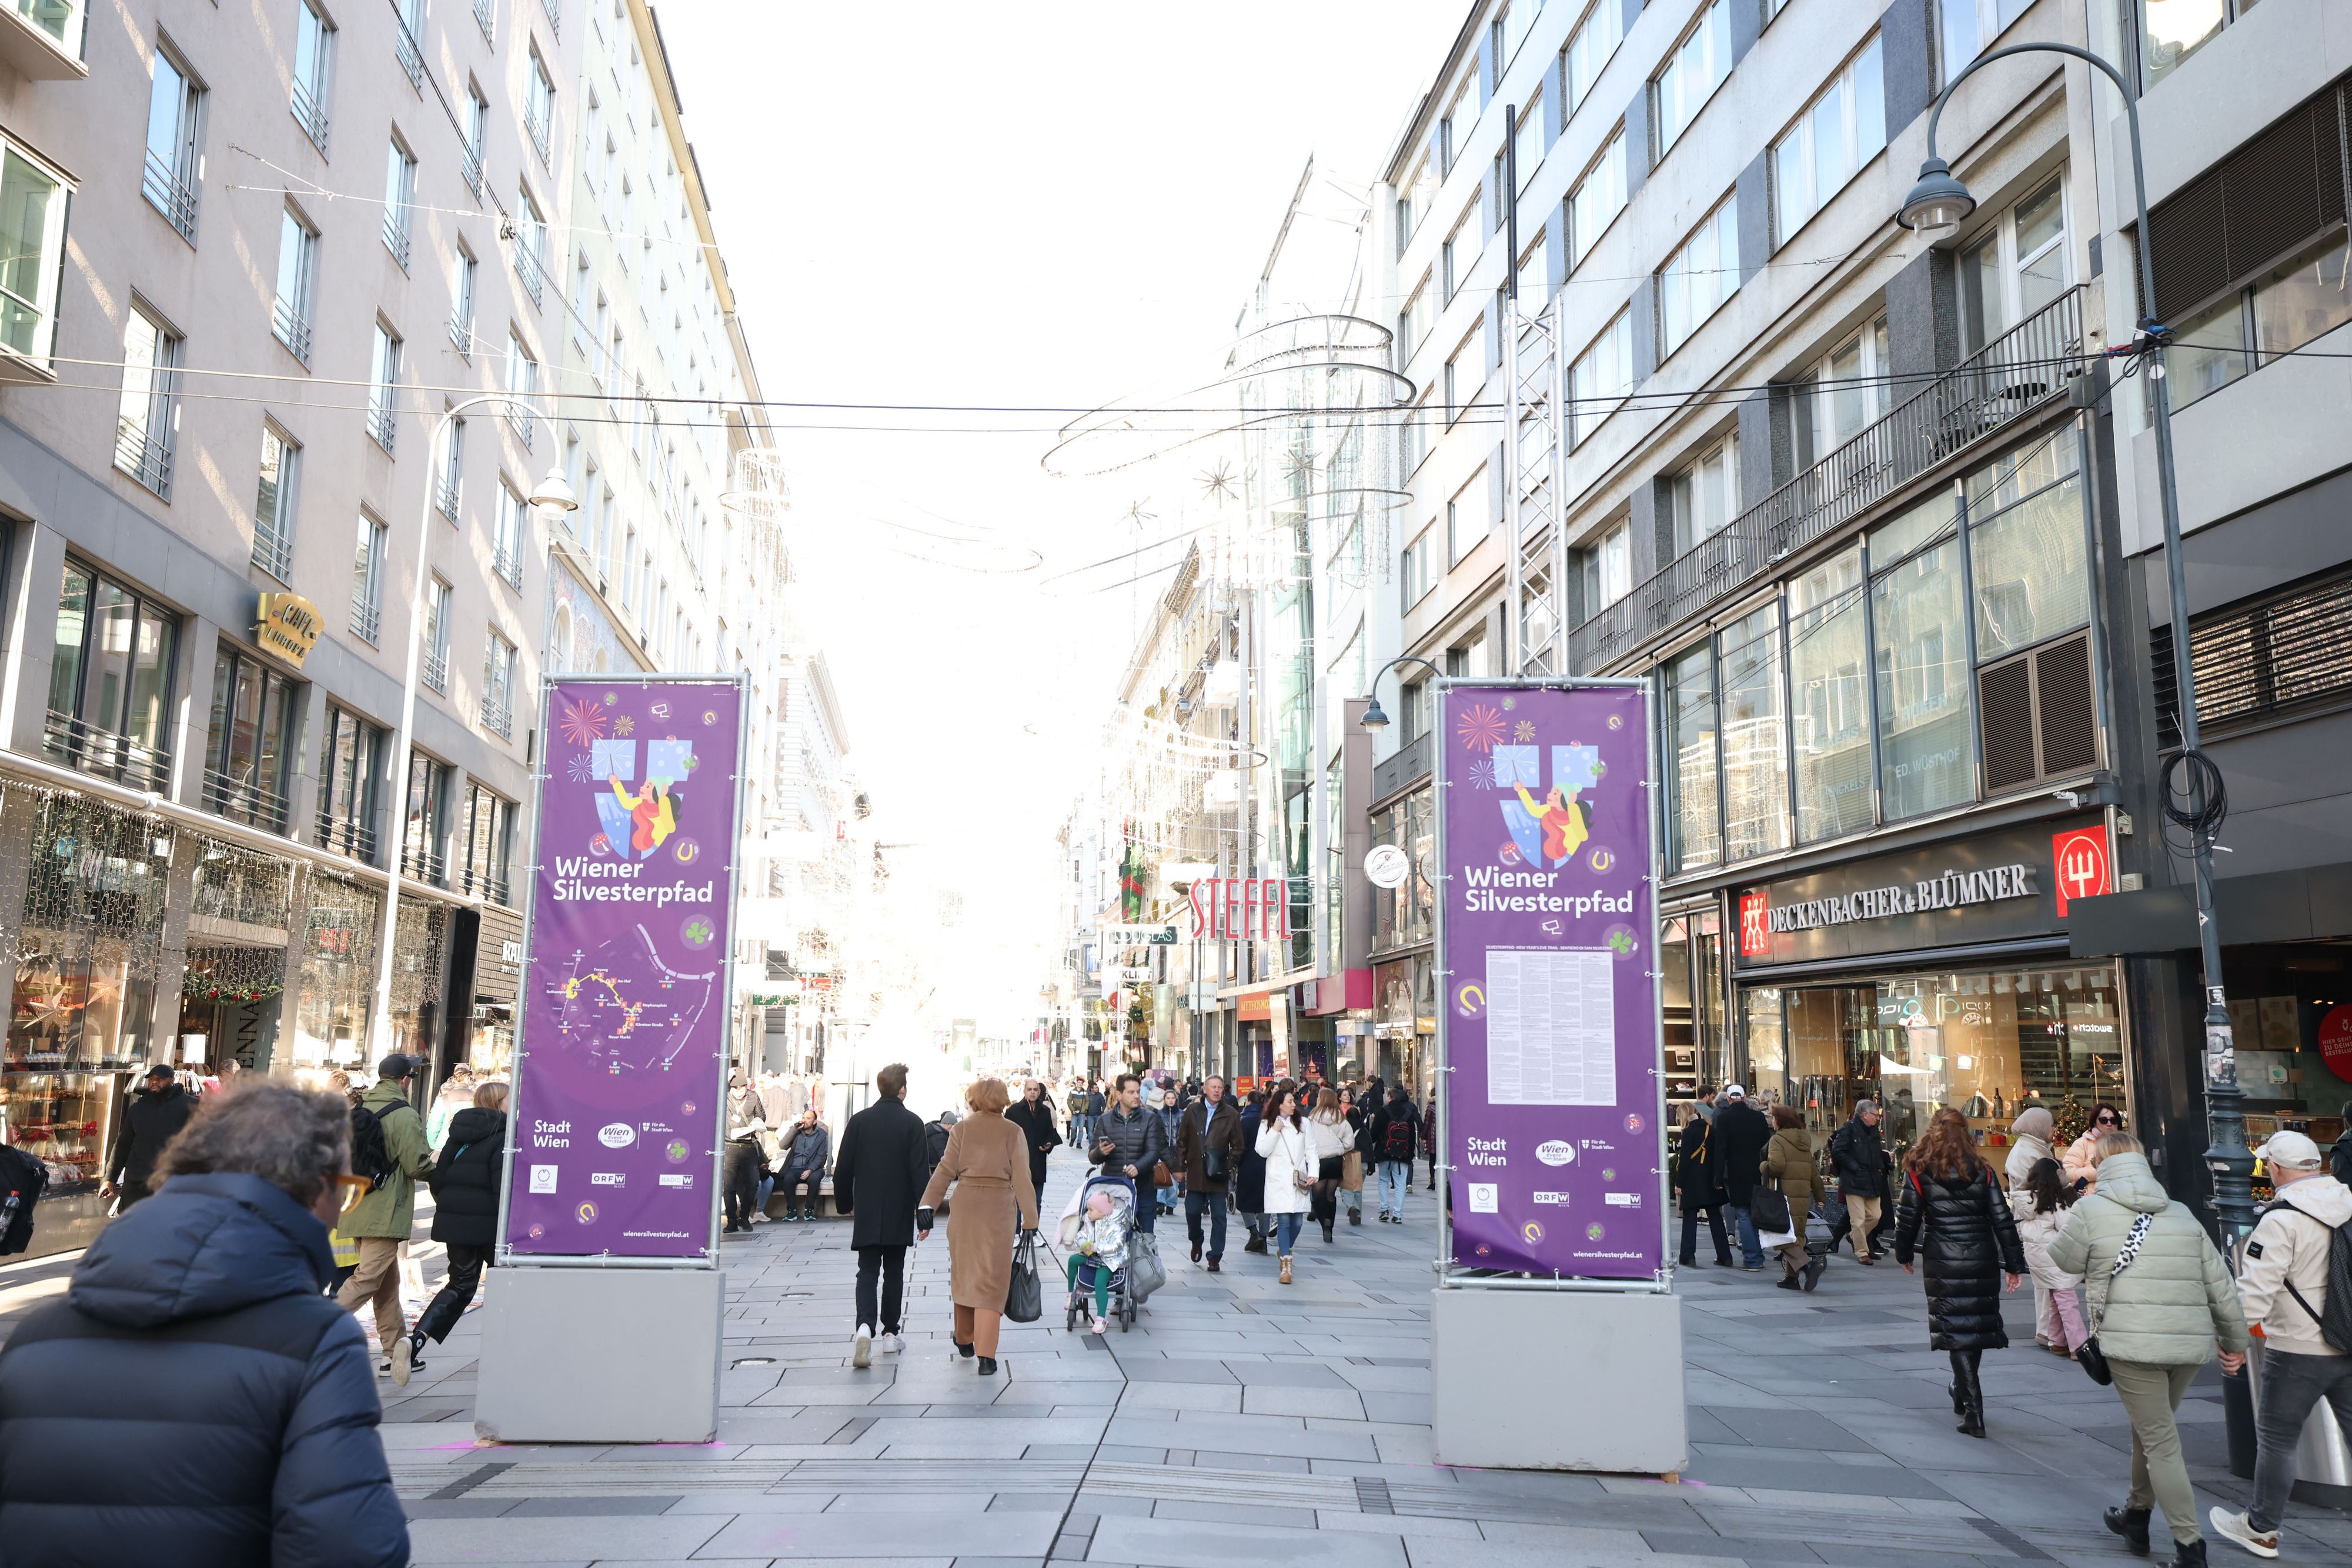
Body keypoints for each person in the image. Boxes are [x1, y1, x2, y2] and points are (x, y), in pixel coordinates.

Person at [0, 1081, 410, 1566]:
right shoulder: (315, 1342)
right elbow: (352, 1547)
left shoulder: (33, 1338)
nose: (339, 1216)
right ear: (315, 1188)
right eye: (345, 1191)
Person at [2049, 1130, 2248, 1565]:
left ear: (2099, 1165)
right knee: (2151, 1428)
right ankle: (2136, 1516)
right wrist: (2235, 1344)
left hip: (2131, 1344)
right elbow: (2221, 1284)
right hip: (2188, 1344)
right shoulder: (2179, 1211)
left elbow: (2060, 1259)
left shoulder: (2091, 1208)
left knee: (2160, 1440)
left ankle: (2190, 1545)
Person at [2210, 1130, 2352, 1559]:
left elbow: (2253, 1291)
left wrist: (2233, 1342)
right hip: (2348, 1342)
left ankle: (2262, 1527)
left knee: (2277, 1438)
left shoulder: (2281, 1218)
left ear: (2273, 1168)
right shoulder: (2347, 1200)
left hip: (2297, 1349)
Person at [1894, 1107, 2027, 1440]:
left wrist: (1905, 1253)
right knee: (1973, 1326)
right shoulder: (1982, 1169)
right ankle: (1963, 1390)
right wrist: (2014, 1264)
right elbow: (2002, 1218)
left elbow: (1909, 1216)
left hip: (1943, 1257)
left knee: (1955, 1330)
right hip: (1980, 1256)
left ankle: (1973, 1409)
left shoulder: (1919, 1169)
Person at [918, 1078, 1041, 1378]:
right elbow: (1023, 1178)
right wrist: (1030, 1219)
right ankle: (987, 1356)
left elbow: (945, 1171)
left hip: (966, 1208)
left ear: (974, 1100)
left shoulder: (961, 1129)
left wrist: (926, 1206)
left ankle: (964, 1339)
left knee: (965, 1275)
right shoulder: (1013, 1132)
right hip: (999, 1210)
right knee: (992, 1281)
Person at [336, 1054, 434, 1386]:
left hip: (357, 1206)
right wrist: (443, 1169)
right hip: (386, 1210)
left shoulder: (359, 1108)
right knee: (367, 1279)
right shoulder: (404, 1115)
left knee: (387, 1285)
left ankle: (392, 1353)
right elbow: (417, 1165)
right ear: (405, 1080)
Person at [833, 1063, 930, 1370]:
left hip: (868, 1208)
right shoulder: (913, 1123)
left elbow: (843, 1167)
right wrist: (924, 1215)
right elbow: (919, 1172)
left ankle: (864, 1327)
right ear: (902, 1089)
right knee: (895, 1272)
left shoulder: (860, 1121)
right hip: (899, 1210)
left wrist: (845, 1203)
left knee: (867, 1271)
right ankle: (890, 1333)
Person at [409, 1079, 507, 1370]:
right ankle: (508, 1348)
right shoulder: (503, 1136)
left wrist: (453, 1209)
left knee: (460, 1285)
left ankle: (415, 1339)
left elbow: (438, 1179)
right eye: (508, 1099)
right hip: (491, 1228)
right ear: (498, 1103)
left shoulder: (458, 1135)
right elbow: (502, 1188)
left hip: (458, 1227)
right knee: (507, 1283)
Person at [2012, 1156, 2087, 1356]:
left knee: (2056, 1298)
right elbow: (2067, 1227)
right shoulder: (2056, 1201)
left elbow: (2019, 1231)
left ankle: (2057, 1340)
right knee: (2068, 1300)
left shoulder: (2025, 1201)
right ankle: (2078, 1346)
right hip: (2055, 1257)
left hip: (2037, 1258)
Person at [101, 1062, 195, 1209]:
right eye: (151, 1078)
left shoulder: (190, 1107)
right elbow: (122, 1145)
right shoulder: (138, 1109)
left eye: (160, 1078)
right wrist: (109, 1179)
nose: (155, 1081)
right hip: (137, 1184)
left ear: (172, 1080)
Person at [1175, 1075, 1245, 1271]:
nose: (1216, 1090)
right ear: (1204, 1089)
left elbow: (1239, 1146)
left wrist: (1227, 1163)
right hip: (1196, 1170)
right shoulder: (1193, 1111)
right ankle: (1196, 1239)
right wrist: (1179, 1166)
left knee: (1219, 1216)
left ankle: (1215, 1256)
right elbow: (1182, 1140)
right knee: (1192, 1210)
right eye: (1213, 1087)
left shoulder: (1231, 1114)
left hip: (1218, 1173)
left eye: (1220, 1088)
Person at [1089, 1074, 1170, 1234]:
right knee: (1113, 1237)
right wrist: (1100, 1152)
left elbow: (1154, 1151)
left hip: (1143, 1188)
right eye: (1131, 1092)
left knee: (1145, 1238)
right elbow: (1092, 1157)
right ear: (1119, 1094)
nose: (1136, 1096)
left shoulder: (1150, 1118)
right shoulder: (1105, 1120)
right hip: (1113, 1189)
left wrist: (1138, 1167)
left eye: (1138, 1092)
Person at [1709, 1085, 1775, 1271]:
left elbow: (1720, 1150)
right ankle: (1758, 1256)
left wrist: (1718, 1177)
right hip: (1757, 1171)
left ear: (1729, 1099)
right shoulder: (1758, 1117)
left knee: (1743, 1213)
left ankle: (1752, 1259)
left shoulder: (1724, 1118)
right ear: (1745, 1098)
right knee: (1753, 1213)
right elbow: (1766, 1144)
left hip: (1736, 1171)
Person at [1762, 1105, 1828, 1292]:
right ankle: (1791, 1278)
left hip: (1784, 1195)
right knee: (1796, 1236)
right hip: (1802, 1196)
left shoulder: (1778, 1140)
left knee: (1781, 1235)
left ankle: (1808, 1267)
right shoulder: (1804, 1141)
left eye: (1774, 1118)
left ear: (1780, 1121)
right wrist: (1821, 1195)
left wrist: (1763, 1165)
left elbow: (1776, 1166)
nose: (1772, 1121)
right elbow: (1814, 1172)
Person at [1256, 1086, 1314, 1285]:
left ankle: (1285, 1248)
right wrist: (1274, 1131)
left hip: (1298, 1180)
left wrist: (1314, 1173)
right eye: (1289, 1101)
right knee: (1284, 1221)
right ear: (1279, 1104)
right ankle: (1286, 1267)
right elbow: (1262, 1150)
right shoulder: (1267, 1124)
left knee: (1297, 1222)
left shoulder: (1304, 1123)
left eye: (1293, 1101)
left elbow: (1311, 1151)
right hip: (1278, 1181)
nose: (1293, 1105)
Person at [1828, 1099, 1892, 1263]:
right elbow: (1838, 1151)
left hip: (1872, 1180)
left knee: (1876, 1216)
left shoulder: (1874, 1131)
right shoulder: (1848, 1129)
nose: (1878, 1118)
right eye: (1876, 1115)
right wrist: (1854, 1167)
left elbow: (1875, 1152)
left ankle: (1853, 1237)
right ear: (1865, 1115)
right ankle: (1862, 1252)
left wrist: (1882, 1165)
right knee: (1858, 1220)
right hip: (1854, 1180)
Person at [1676, 1091, 1732, 1268]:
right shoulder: (1711, 1130)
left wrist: (1679, 1183)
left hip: (1693, 1181)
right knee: (1715, 1218)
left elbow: (1685, 1161)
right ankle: (1725, 1256)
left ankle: (1688, 1255)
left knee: (1690, 1218)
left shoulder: (1688, 1133)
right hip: (1711, 1179)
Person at [1066, 1188, 1127, 1335]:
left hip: (1109, 1259)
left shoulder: (1116, 1225)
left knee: (1100, 1283)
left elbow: (1118, 1246)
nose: (1088, 1213)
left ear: (1102, 1211)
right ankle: (1071, 1294)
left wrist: (1098, 1247)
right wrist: (1084, 1245)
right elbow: (1081, 1235)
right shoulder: (1089, 1220)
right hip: (1091, 1253)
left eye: (1091, 1210)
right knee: (1073, 1260)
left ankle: (1101, 1318)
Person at [1369, 1084, 1420, 1223]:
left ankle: (1384, 1209)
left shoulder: (1383, 1112)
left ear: (1390, 1097)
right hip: (1402, 1155)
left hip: (1384, 1153)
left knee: (1383, 1180)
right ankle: (1397, 1214)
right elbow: (1411, 1137)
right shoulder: (1407, 1113)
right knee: (1400, 1184)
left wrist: (1373, 1146)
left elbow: (1374, 1133)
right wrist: (1409, 1155)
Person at [1307, 1088, 1352, 1245]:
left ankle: (1324, 1223)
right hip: (1336, 1160)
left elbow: (1308, 1140)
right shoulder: (1341, 1118)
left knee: (1317, 1197)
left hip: (1319, 1161)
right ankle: (1330, 1227)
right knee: (1330, 1196)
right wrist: (1339, 1148)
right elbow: (1350, 1142)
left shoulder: (1313, 1117)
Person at [1005, 1078, 1063, 1200]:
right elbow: (1006, 1136)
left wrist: (1049, 1144)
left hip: (1038, 1163)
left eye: (1035, 1090)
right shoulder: (1014, 1111)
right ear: (1025, 1092)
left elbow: (1050, 1133)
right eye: (1030, 1090)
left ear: (1039, 1092)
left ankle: (1034, 1221)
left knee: (1037, 1202)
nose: (1032, 1092)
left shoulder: (1045, 1111)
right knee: (1018, 1204)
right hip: (1019, 1164)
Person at [723, 1076, 767, 1234]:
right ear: (731, 1088)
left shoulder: (753, 1097)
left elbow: (762, 1115)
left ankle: (745, 1216)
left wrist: (756, 1122)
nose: (739, 1091)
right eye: (736, 1088)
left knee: (754, 1183)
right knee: (729, 1186)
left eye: (742, 1088)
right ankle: (731, 1221)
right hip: (730, 1145)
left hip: (748, 1146)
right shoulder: (725, 1097)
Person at [777, 1105, 831, 1221]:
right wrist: (794, 1129)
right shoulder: (797, 1133)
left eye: (809, 1118)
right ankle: (792, 1211)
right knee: (788, 1178)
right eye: (804, 1118)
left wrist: (810, 1169)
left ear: (815, 1121)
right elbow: (783, 1145)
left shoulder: (821, 1135)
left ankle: (809, 1210)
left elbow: (821, 1156)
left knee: (814, 1179)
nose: (805, 1121)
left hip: (813, 1169)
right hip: (796, 1167)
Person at [1235, 1087, 1269, 1253]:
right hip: (1267, 1165)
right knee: (1264, 1203)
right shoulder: (1269, 1120)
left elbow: (1239, 1145)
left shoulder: (1245, 1120)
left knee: (1244, 1200)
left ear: (1248, 1102)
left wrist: (1235, 1162)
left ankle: (1253, 1232)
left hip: (1248, 1164)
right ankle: (1263, 1238)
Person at [2066, 1104, 2124, 1193]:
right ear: (2094, 1122)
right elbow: (2068, 1172)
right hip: (2092, 1199)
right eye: (2103, 1120)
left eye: (2113, 1120)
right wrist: (2103, 1171)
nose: (2109, 1124)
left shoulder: (2126, 1145)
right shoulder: (2083, 1143)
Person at [425, 1062, 475, 1151]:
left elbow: (434, 1125)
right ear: (468, 1077)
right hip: (469, 1146)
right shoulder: (477, 1096)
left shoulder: (444, 1093)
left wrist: (435, 1146)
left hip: (444, 1144)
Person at [1152, 1086, 1184, 1215]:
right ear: (1164, 1100)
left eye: (1173, 1098)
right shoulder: (1159, 1114)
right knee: (1161, 1175)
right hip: (1162, 1150)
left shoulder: (1182, 1114)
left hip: (1177, 1150)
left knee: (1174, 1180)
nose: (1171, 1101)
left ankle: (1171, 1204)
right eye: (1168, 1098)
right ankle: (1160, 1203)